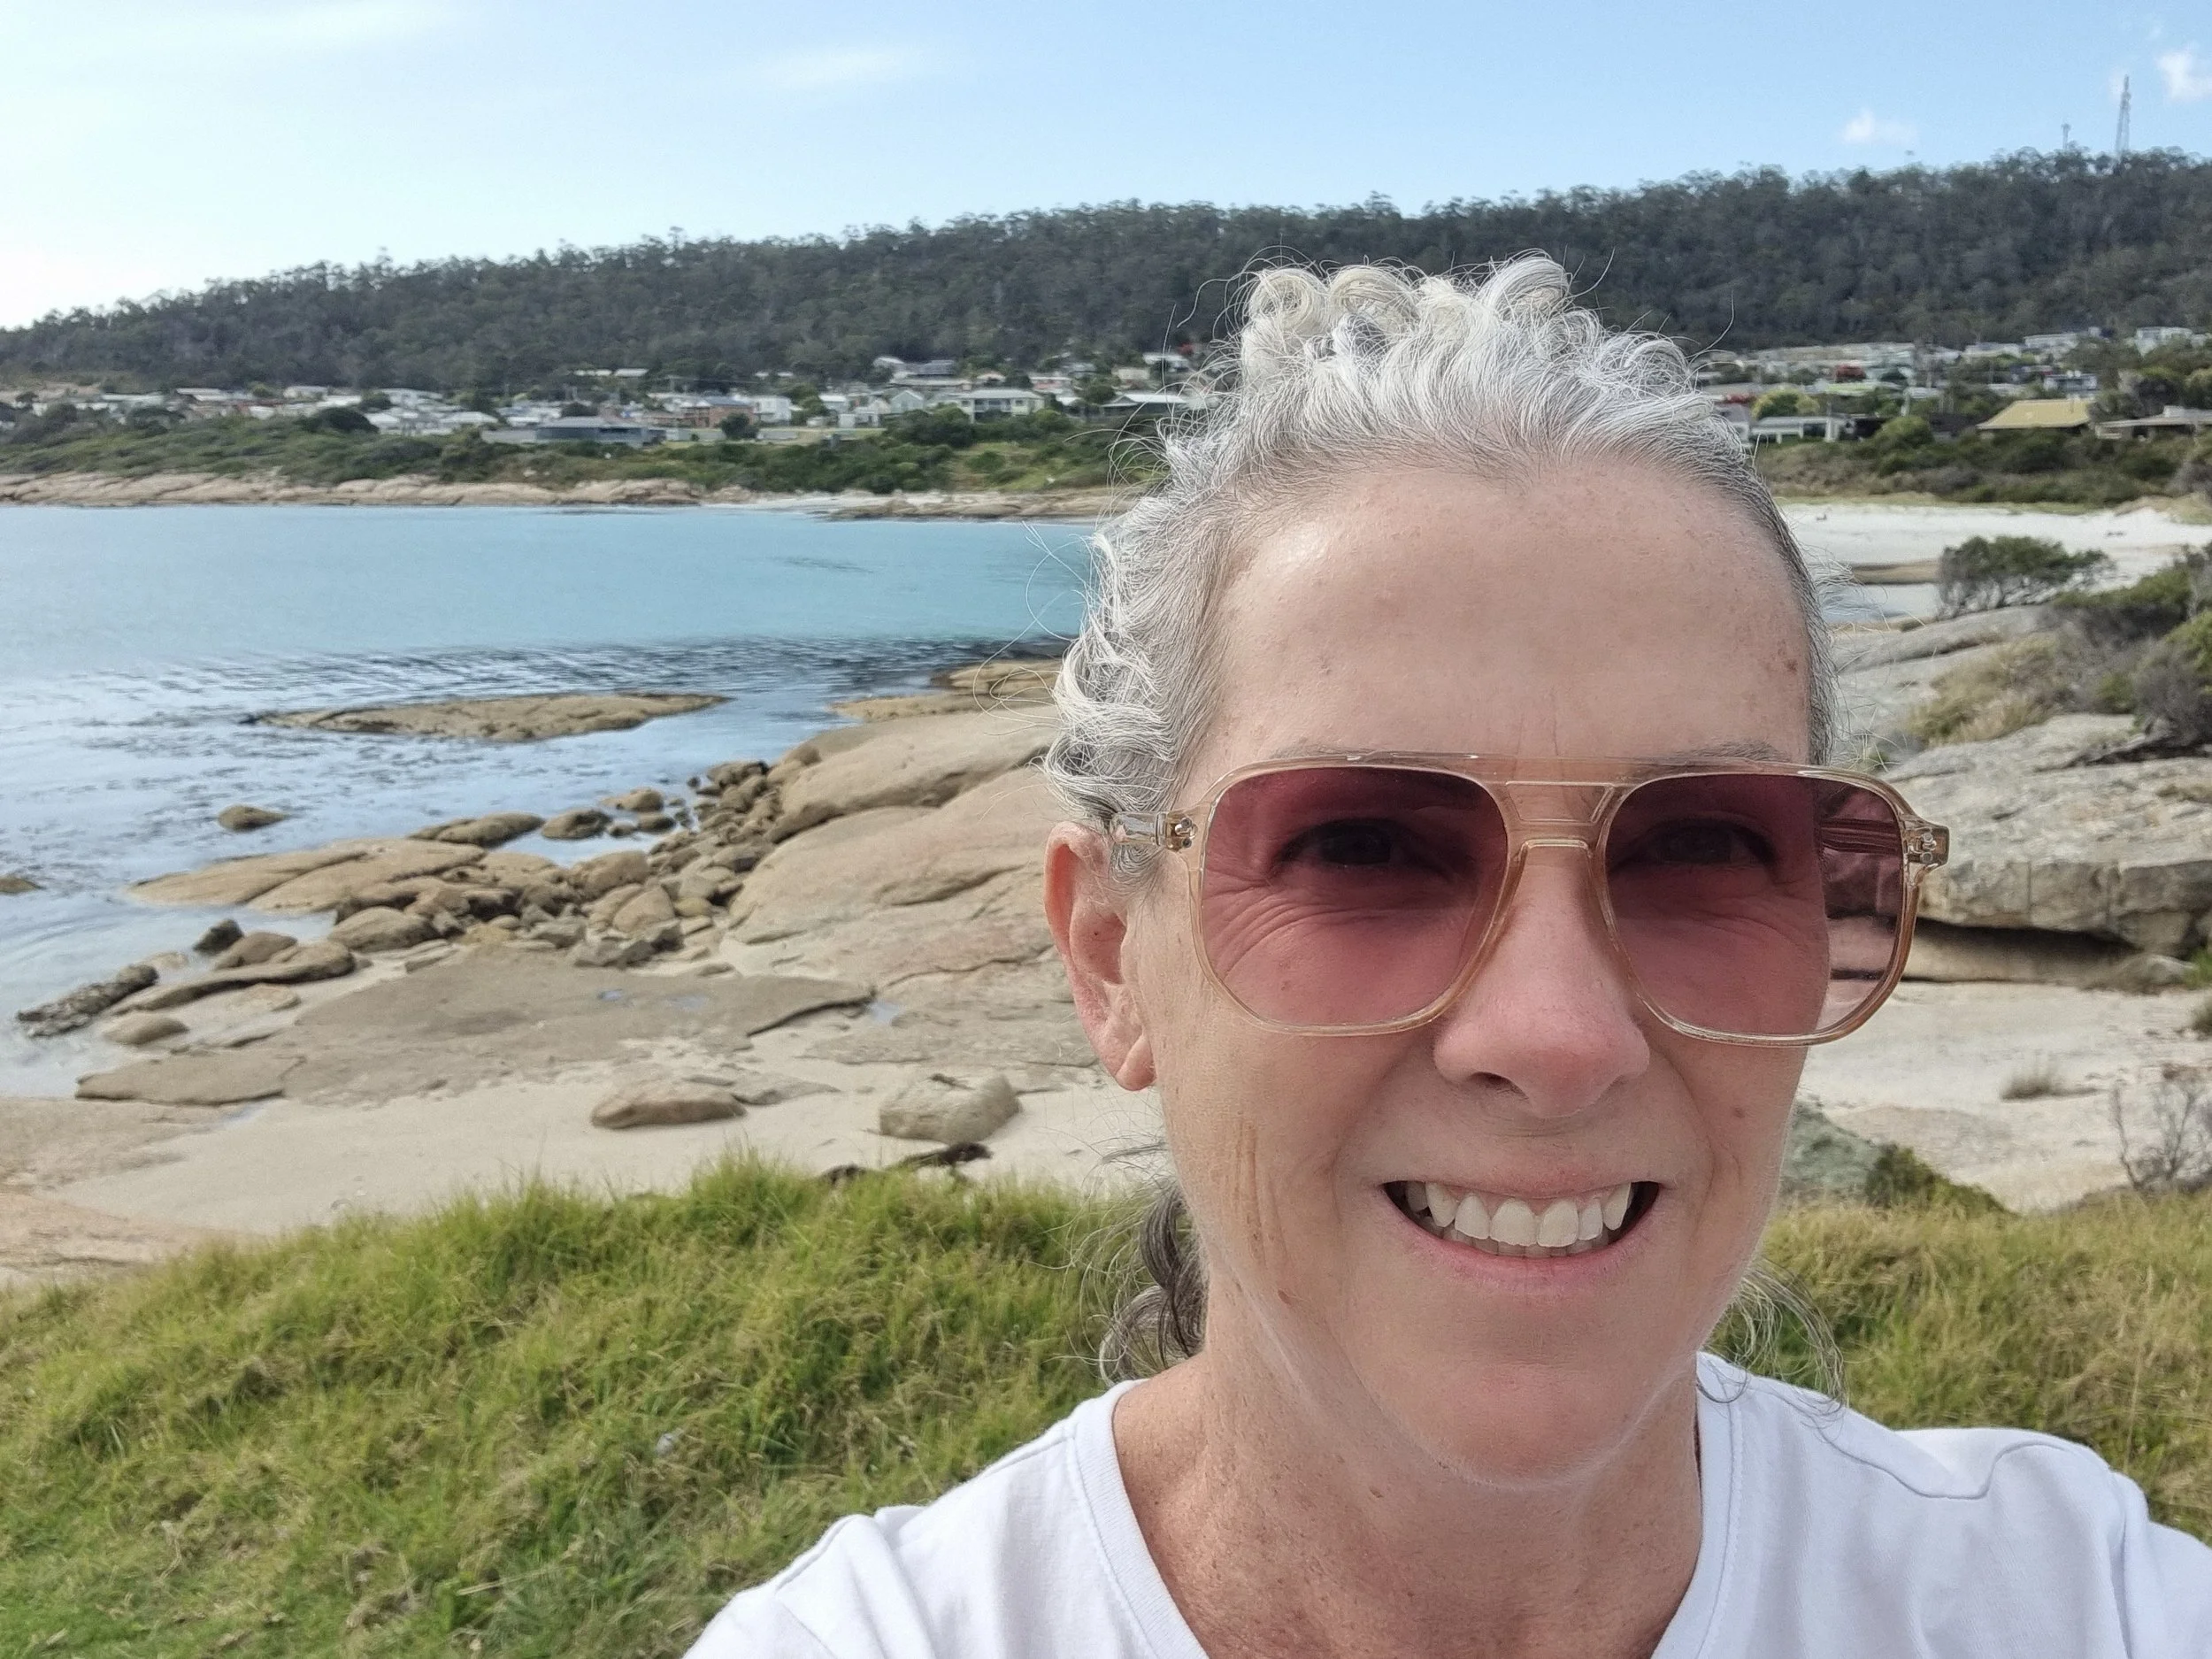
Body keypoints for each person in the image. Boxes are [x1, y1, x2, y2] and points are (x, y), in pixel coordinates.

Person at [688, 258, 2212, 1657]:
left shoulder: (2070, 1597)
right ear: (1110, 958)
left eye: (1700, 845)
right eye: (1361, 845)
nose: (1555, 1034)